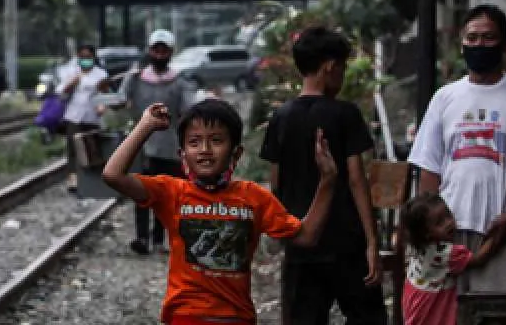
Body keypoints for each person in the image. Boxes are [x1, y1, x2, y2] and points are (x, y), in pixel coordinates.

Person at [103, 98, 339, 325]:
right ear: (182, 155)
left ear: (236, 154)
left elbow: (306, 236)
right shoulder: (172, 193)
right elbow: (113, 175)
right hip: (186, 316)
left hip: (236, 317)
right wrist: (145, 127)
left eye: (216, 140)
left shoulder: (254, 198)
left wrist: (328, 180)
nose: (205, 150)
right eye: (194, 142)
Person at [407, 4, 506, 294]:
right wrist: (429, 231)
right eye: (471, 38)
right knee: (448, 315)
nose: (478, 45)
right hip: (449, 231)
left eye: (488, 38)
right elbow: (429, 168)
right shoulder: (444, 98)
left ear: (505, 45)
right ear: (461, 45)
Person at [259, 26, 385, 325]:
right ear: (329, 67)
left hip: (301, 244)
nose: (341, 75)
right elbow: (357, 180)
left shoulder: (282, 118)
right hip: (346, 244)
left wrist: (284, 234)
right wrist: (371, 243)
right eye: (341, 67)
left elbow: (275, 183)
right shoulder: (345, 114)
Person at [111, 29, 196, 255]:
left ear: (170, 52)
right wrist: (106, 94)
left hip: (170, 146)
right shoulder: (135, 78)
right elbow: (119, 100)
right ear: (149, 51)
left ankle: (159, 239)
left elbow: (189, 109)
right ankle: (141, 237)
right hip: (140, 145)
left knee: (164, 195)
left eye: (164, 50)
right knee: (139, 193)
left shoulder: (180, 82)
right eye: (156, 50)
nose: (159, 54)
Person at [400, 192, 495, 325]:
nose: (449, 223)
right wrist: (497, 234)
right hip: (429, 306)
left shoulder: (419, 246)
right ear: (426, 233)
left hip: (416, 300)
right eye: (440, 222)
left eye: (448, 215)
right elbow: (478, 259)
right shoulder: (442, 252)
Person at [56, 43, 109, 192]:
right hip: (74, 115)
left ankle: (94, 178)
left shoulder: (101, 74)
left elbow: (106, 94)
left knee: (93, 148)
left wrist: (102, 107)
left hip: (92, 116)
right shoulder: (71, 72)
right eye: (82, 57)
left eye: (88, 57)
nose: (85, 60)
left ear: (93, 57)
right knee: (73, 148)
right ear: (78, 58)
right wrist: (72, 83)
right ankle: (73, 178)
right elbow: (61, 93)